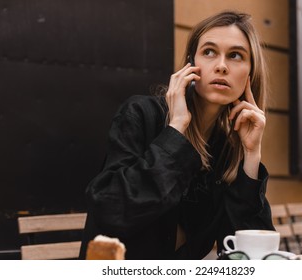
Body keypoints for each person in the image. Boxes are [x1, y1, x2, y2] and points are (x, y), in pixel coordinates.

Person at [79, 10, 275, 260]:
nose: (222, 66)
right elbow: (111, 210)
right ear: (191, 66)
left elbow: (246, 253)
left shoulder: (226, 149)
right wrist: (176, 129)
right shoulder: (142, 115)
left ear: (250, 74)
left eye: (236, 55)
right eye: (209, 52)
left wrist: (251, 154)